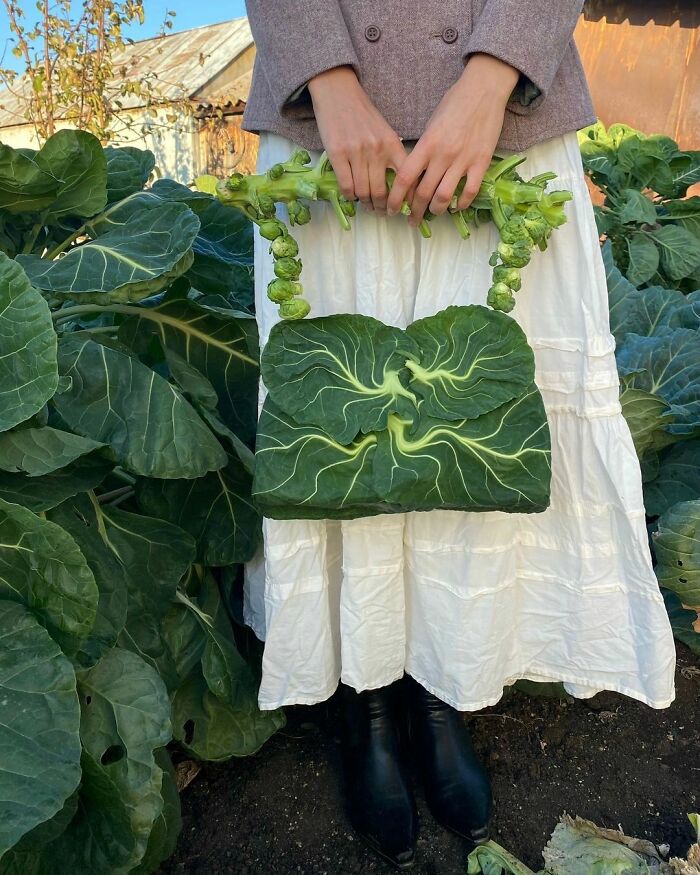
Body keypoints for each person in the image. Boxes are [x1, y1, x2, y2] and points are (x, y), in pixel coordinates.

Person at [241, 2, 677, 869]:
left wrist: (491, 77)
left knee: (472, 427)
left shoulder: (499, 89)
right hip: (325, 118)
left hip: (505, 117)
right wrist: (328, 79)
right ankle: (366, 699)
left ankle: (441, 693)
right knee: (344, 430)